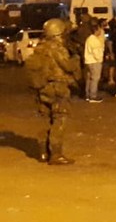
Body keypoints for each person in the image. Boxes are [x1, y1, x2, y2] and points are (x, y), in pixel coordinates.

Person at [26, 18, 81, 165]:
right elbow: (67, 67)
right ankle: (56, 154)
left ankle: (43, 152)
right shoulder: (57, 48)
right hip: (58, 87)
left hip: (43, 87)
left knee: (45, 119)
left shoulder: (40, 47)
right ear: (58, 34)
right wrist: (75, 58)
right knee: (60, 118)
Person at [83, 22, 106, 102]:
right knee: (95, 79)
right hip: (94, 61)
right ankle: (93, 96)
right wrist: (100, 59)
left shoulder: (89, 39)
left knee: (89, 79)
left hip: (89, 61)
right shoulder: (94, 40)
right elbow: (96, 53)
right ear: (96, 30)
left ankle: (88, 95)